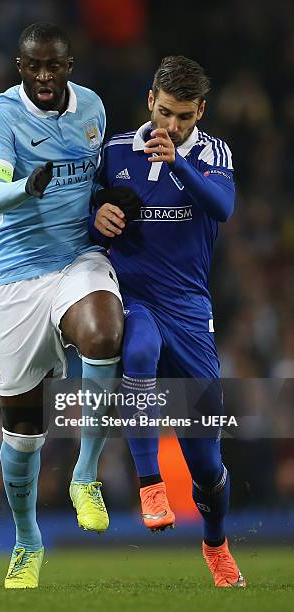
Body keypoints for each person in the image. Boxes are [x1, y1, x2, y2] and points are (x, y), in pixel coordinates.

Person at [0, 22, 123, 589]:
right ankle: (27, 542)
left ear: (68, 65)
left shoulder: (93, 110)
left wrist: (109, 206)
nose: (43, 77)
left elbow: (99, 180)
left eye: (53, 66)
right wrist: (23, 188)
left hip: (76, 260)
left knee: (105, 332)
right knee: (23, 428)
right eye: (33, 67)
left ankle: (85, 476)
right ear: (20, 67)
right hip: (14, 277)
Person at [91, 55, 246, 588]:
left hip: (189, 310)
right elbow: (84, 211)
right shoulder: (113, 152)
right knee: (137, 354)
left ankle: (216, 541)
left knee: (207, 465)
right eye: (163, 113)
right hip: (132, 294)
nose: (171, 127)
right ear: (149, 102)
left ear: (200, 111)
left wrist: (178, 160)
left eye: (183, 117)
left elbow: (222, 207)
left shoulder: (211, 153)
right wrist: (96, 215)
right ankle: (150, 484)